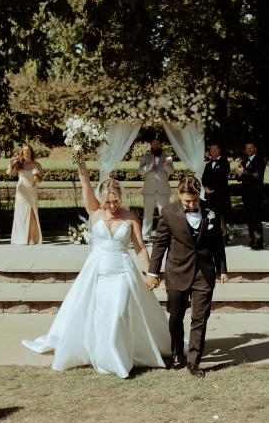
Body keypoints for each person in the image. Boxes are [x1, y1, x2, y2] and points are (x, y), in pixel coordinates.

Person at [22, 152, 169, 378]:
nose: (111, 205)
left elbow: (139, 248)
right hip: (98, 270)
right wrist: (80, 161)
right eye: (107, 201)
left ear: (121, 198)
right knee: (101, 313)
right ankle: (103, 353)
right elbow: (85, 182)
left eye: (115, 201)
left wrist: (150, 272)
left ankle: (114, 355)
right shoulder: (95, 212)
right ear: (102, 199)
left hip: (121, 271)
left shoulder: (130, 217)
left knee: (118, 312)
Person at [147, 176, 228, 377]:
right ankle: (176, 353)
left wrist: (223, 269)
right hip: (177, 271)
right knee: (176, 315)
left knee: (200, 318)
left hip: (204, 272)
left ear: (198, 195)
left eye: (194, 201)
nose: (191, 204)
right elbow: (160, 244)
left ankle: (194, 362)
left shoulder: (211, 211)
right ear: (179, 196)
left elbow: (218, 242)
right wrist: (153, 272)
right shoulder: (168, 212)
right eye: (187, 201)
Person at [138, 139, 175, 241]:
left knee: (164, 214)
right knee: (147, 213)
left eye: (157, 144)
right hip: (149, 189)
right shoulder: (145, 157)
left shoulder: (167, 157)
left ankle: (165, 234)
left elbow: (172, 171)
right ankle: (145, 235)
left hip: (163, 190)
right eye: (154, 144)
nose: (156, 145)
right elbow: (140, 171)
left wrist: (167, 166)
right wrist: (150, 166)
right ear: (151, 145)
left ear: (160, 145)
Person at [8, 145, 43, 245]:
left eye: (28, 150)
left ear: (31, 152)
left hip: (32, 190)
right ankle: (22, 237)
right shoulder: (19, 164)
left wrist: (36, 175)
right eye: (24, 150)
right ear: (22, 152)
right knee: (22, 214)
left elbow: (40, 179)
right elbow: (9, 172)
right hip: (21, 192)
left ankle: (31, 238)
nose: (27, 152)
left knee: (32, 213)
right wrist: (11, 163)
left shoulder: (37, 164)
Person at [235, 142, 265, 250]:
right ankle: (252, 239)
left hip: (256, 193)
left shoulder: (260, 160)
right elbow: (239, 178)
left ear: (255, 148)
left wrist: (244, 172)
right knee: (249, 218)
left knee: (256, 217)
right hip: (246, 194)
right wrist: (238, 173)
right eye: (247, 148)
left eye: (251, 148)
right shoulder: (244, 161)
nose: (249, 149)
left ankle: (258, 241)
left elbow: (258, 176)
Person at [201, 143, 232, 244]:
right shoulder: (208, 164)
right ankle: (214, 236)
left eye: (215, 149)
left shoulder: (225, 162)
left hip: (221, 194)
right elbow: (204, 178)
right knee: (211, 215)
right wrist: (206, 188)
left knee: (222, 216)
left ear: (219, 150)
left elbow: (222, 177)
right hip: (210, 195)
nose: (213, 151)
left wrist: (214, 189)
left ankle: (223, 237)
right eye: (211, 149)